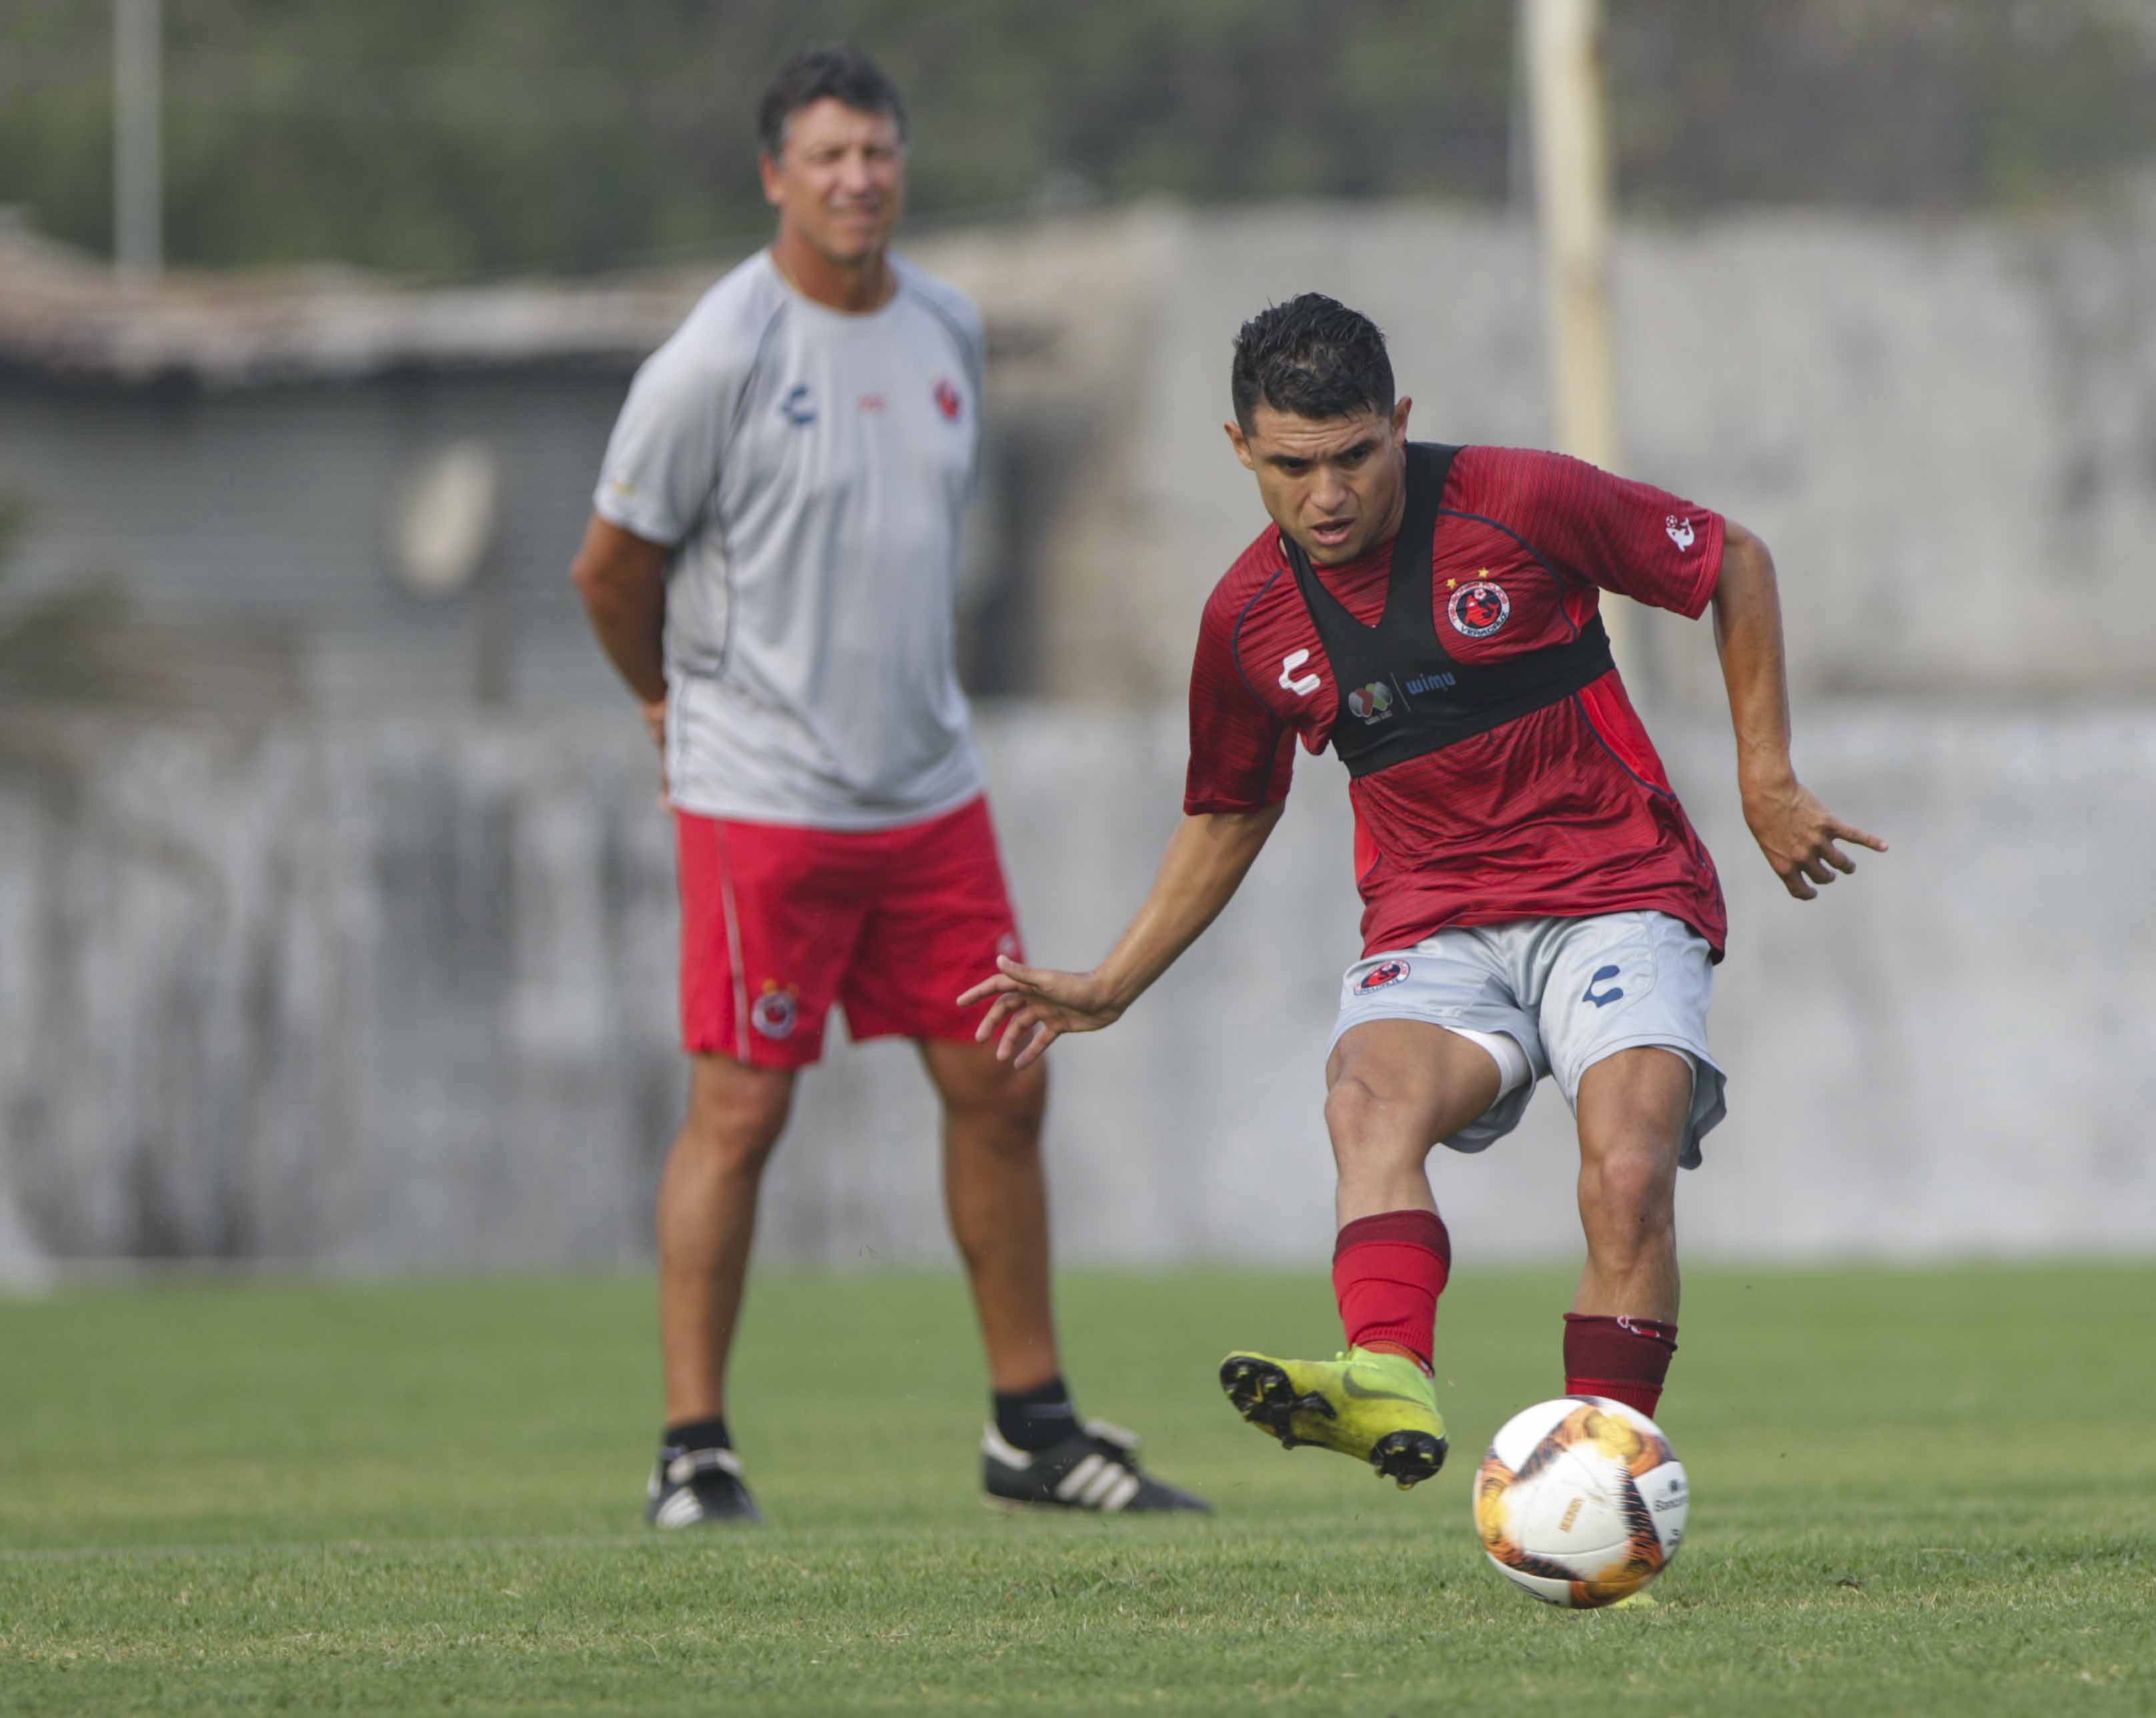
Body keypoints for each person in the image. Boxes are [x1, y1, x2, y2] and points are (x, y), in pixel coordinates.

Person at [961, 293, 1881, 1488]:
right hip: (1434, 921)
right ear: (1240, 449)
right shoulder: (1246, 620)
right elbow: (1233, 805)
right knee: (1365, 1103)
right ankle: (1387, 1372)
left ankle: (1596, 1480)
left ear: (1399, 423)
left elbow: (1730, 562)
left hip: (1617, 887)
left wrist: (1766, 773)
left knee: (1625, 1170)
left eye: (1354, 455)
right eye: (1293, 466)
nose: (1327, 494)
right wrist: (1113, 984)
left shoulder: (1521, 501)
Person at [568, 44, 1204, 1525]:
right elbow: (610, 570)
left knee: (1004, 1082)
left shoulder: (949, 329)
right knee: (742, 1112)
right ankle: (693, 1451)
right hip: (760, 800)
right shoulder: (716, 357)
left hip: (928, 794)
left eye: (880, 152)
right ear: (776, 176)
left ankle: (1032, 1429)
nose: (860, 178)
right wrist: (668, 702)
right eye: (829, 156)